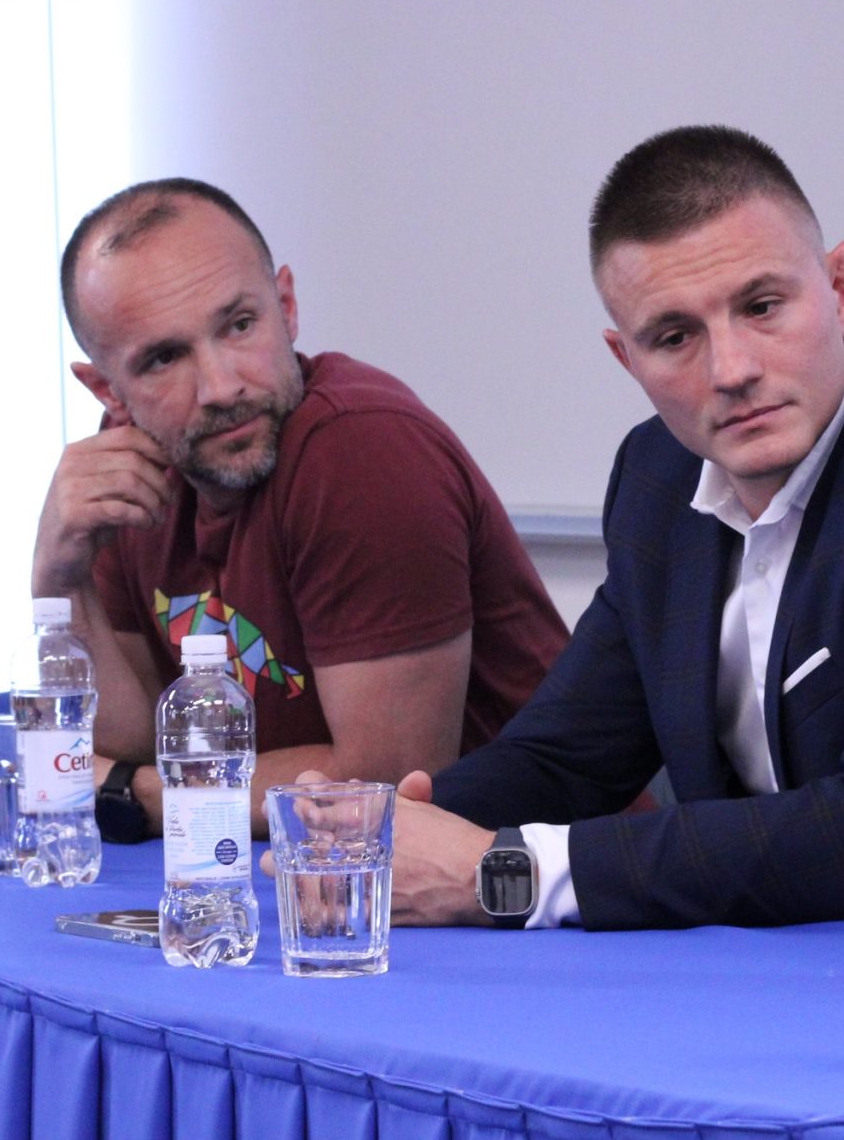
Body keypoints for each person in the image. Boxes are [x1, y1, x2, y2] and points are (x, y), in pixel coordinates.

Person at [382, 126, 844, 930]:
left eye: (762, 306)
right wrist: (368, 836)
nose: (732, 370)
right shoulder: (658, 475)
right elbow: (567, 755)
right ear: (626, 358)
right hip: (774, 972)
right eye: (675, 337)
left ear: (842, 287)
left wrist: (506, 873)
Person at [32, 178, 569, 838]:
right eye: (164, 358)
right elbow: (138, 738)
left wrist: (139, 795)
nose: (222, 386)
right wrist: (59, 573)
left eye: (239, 325)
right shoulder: (134, 467)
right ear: (108, 391)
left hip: (533, 880)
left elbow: (380, 788)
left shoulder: (361, 450)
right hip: (295, 874)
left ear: (286, 306)